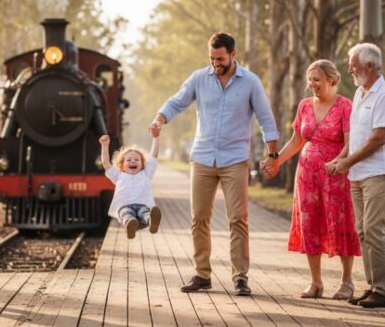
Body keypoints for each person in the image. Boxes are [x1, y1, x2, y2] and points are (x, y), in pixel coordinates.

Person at [150, 32, 280, 297]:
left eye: (220, 58)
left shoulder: (250, 82)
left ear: (233, 54)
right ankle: (202, 274)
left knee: (238, 219)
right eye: (211, 58)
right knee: (199, 218)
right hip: (203, 158)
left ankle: (240, 277)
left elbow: (266, 119)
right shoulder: (199, 78)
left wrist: (273, 154)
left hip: (235, 159)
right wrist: (160, 119)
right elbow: (177, 101)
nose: (215, 63)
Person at [267, 60, 360, 300]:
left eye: (316, 79)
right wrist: (276, 160)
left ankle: (347, 282)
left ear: (331, 79)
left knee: (340, 223)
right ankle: (316, 282)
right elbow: (297, 140)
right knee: (310, 225)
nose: (312, 84)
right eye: (310, 80)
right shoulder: (305, 106)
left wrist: (338, 162)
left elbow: (350, 143)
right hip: (306, 177)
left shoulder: (344, 106)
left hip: (335, 176)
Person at [325, 43, 385, 308]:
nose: (349, 69)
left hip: (379, 172)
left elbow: (378, 139)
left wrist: (346, 162)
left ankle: (384, 290)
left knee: (373, 228)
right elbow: (355, 138)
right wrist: (341, 157)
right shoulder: (360, 93)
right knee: (362, 231)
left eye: (353, 64)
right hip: (357, 173)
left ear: (369, 66)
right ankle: (372, 287)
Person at [99, 134, 162, 239]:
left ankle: (152, 222)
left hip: (142, 205)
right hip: (125, 206)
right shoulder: (118, 176)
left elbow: (154, 155)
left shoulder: (146, 174)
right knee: (126, 213)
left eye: (137, 160)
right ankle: (130, 226)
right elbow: (106, 163)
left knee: (145, 213)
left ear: (142, 164)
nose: (133, 161)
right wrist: (105, 146)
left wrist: (155, 138)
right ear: (121, 165)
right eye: (128, 160)